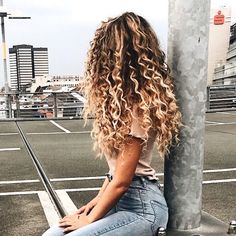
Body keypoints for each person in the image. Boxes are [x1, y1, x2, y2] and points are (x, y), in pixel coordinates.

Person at [43, 12, 182, 236]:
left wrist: (89, 219)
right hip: (118, 200)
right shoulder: (120, 104)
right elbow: (114, 174)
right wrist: (95, 202)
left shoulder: (137, 105)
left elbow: (124, 180)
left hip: (143, 208)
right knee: (52, 235)